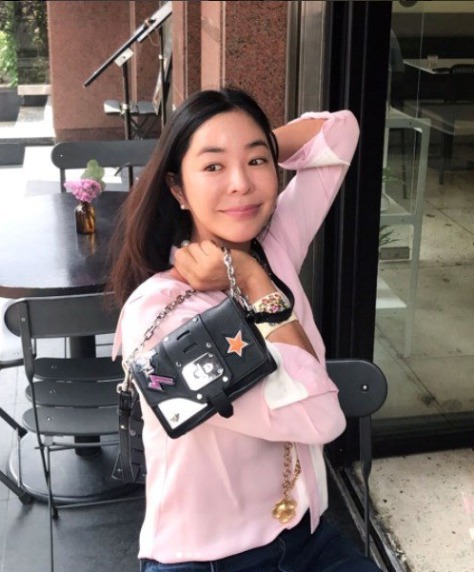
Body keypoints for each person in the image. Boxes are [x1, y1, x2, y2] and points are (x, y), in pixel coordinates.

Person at [109, 87, 379, 572]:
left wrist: (246, 144)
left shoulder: (272, 248)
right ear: (177, 189)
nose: (241, 184)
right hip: (207, 561)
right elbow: (320, 418)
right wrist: (252, 281)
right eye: (213, 167)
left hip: (307, 537)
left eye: (257, 163)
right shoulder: (161, 313)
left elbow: (341, 132)